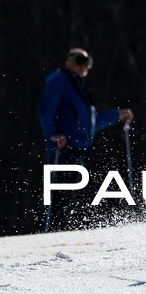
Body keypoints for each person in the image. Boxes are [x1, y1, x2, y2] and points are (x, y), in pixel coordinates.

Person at [37, 48, 134, 231]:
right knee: (60, 194)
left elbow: (89, 124)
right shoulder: (60, 81)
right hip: (64, 147)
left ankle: (57, 233)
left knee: (69, 194)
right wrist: (52, 133)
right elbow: (45, 109)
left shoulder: (79, 89)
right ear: (68, 62)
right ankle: (47, 233)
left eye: (86, 62)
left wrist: (116, 115)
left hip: (78, 147)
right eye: (78, 59)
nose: (83, 65)